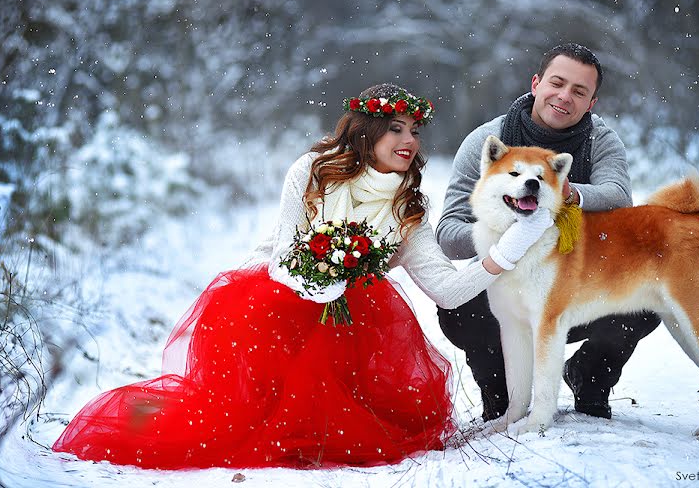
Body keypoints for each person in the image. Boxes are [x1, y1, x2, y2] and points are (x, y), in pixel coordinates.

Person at [52, 83, 552, 470]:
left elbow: (445, 289)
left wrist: (506, 249)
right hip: (275, 298)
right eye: (396, 129)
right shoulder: (313, 170)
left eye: (414, 132)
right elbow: (286, 254)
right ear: (365, 130)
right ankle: (146, 422)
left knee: (358, 422)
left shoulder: (408, 206)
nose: (409, 141)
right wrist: (326, 278)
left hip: (349, 319)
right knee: (226, 425)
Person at [435, 43, 661, 422]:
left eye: (579, 91)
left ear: (591, 103)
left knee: (645, 298)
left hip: (579, 287)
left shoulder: (600, 141)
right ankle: (501, 396)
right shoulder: (488, 143)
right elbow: (448, 232)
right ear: (536, 83)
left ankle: (589, 378)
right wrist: (506, 231)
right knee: (457, 308)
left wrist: (567, 193)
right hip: (505, 288)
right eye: (557, 83)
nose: (564, 96)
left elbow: (620, 200)